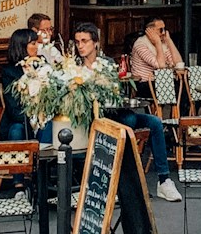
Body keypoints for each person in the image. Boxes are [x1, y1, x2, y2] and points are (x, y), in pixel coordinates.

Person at [74, 22, 180, 201]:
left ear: (95, 43)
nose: (80, 46)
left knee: (154, 122)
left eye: (84, 41)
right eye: (77, 42)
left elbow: (118, 92)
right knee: (129, 120)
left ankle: (164, 180)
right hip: (93, 118)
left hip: (114, 112)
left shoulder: (106, 63)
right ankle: (125, 180)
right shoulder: (74, 66)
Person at [129, 16, 186, 95]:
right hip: (146, 83)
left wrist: (169, 41)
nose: (163, 33)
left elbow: (179, 64)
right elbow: (160, 66)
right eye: (160, 30)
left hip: (163, 81)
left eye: (164, 29)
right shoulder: (140, 44)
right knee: (181, 91)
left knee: (190, 88)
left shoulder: (163, 42)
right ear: (150, 31)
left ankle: (186, 107)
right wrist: (158, 43)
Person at [0, 28, 35, 142]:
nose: (37, 46)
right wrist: (31, 120)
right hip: (19, 119)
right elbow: (13, 107)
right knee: (16, 131)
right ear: (22, 46)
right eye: (33, 43)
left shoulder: (42, 65)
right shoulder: (9, 72)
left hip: (42, 119)